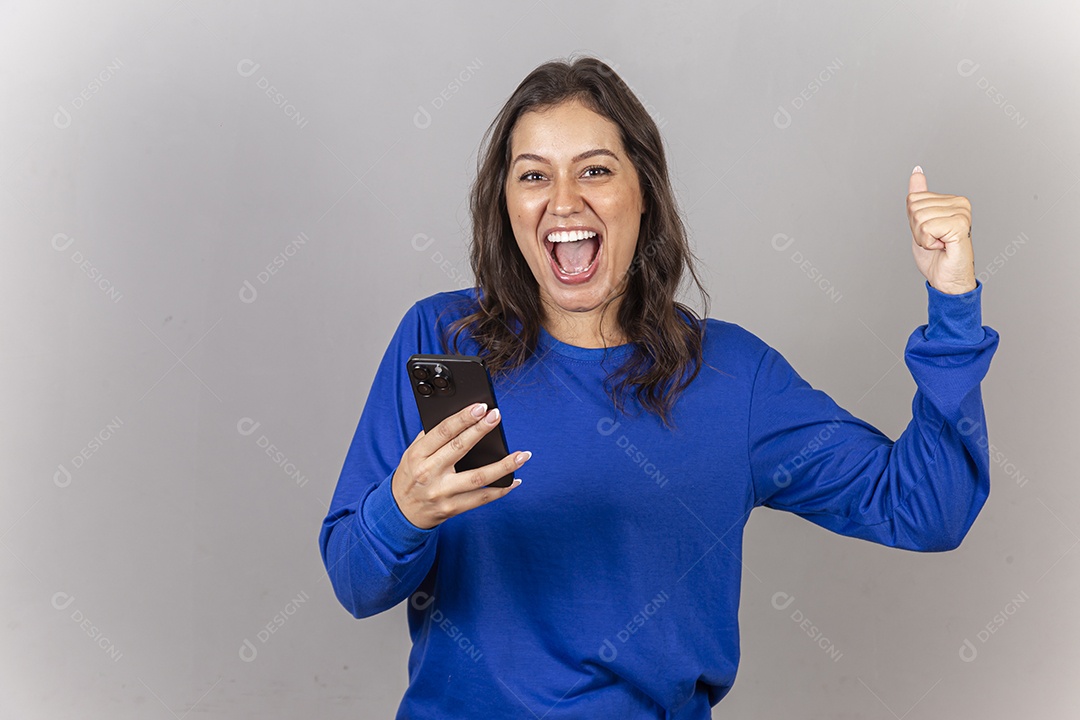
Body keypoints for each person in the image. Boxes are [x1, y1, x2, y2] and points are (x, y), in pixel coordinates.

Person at [318, 56, 999, 718]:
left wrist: (953, 307)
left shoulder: (731, 377)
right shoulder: (443, 339)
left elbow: (927, 508)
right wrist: (402, 511)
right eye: (533, 175)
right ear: (506, 202)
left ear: (642, 193)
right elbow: (355, 581)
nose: (563, 200)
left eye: (595, 170)